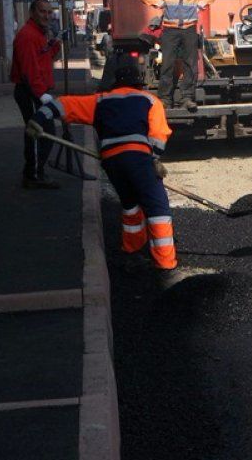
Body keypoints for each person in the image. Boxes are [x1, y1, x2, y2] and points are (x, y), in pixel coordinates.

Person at [27, 55, 194, 288]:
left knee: (130, 205)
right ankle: (166, 267)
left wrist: (37, 119)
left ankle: (132, 253)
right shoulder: (149, 100)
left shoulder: (100, 100)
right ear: (139, 83)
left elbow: (62, 104)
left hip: (112, 162)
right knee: (157, 208)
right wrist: (154, 160)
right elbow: (158, 134)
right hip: (138, 158)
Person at [140, 0, 216, 111]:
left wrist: (202, 3)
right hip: (170, 29)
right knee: (167, 64)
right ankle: (165, 99)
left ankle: (187, 98)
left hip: (189, 29)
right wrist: (158, 2)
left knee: (190, 65)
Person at [10, 0, 62, 189]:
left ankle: (34, 172)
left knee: (43, 132)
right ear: (32, 12)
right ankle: (33, 175)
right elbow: (29, 69)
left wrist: (54, 44)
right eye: (42, 11)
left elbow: (44, 59)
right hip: (31, 92)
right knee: (40, 133)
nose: (47, 16)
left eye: (49, 12)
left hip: (37, 90)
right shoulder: (28, 36)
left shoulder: (38, 34)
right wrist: (40, 94)